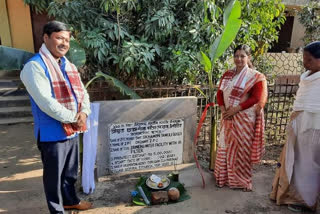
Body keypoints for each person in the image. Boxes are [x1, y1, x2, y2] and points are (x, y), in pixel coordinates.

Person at [20, 21, 92, 213]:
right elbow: (46, 102)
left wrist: (84, 112)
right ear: (46, 38)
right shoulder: (34, 66)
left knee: (70, 172)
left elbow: (82, 92)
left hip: (72, 129)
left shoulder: (68, 65)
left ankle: (70, 201)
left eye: (67, 39)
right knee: (54, 177)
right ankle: (56, 210)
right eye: (59, 38)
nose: (64, 43)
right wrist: (73, 117)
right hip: (52, 132)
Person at [270, 41, 320, 212]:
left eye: (309, 60)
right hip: (300, 125)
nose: (305, 63)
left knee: (311, 164)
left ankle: (310, 200)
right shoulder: (307, 78)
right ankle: (297, 197)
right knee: (298, 162)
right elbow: (301, 103)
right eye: (304, 59)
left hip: (315, 127)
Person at [214, 44, 268, 191]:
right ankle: (224, 178)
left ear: (248, 57)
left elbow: (256, 98)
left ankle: (242, 181)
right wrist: (224, 110)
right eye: (236, 56)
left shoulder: (256, 76)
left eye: (242, 56)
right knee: (225, 146)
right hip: (227, 117)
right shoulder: (227, 74)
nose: (239, 59)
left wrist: (235, 110)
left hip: (244, 119)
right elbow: (220, 93)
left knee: (241, 149)